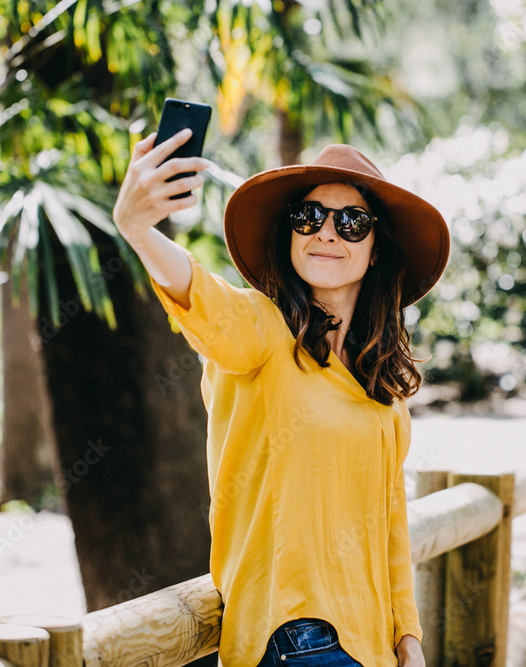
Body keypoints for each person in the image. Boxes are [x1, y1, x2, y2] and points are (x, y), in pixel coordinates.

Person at [112, 128, 449, 666]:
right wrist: (137, 229)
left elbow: (389, 520)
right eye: (308, 217)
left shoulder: (383, 386)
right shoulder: (262, 331)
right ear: (290, 234)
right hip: (297, 639)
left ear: (377, 245)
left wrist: (408, 635)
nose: (327, 234)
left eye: (352, 222)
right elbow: (198, 296)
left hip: (373, 648)